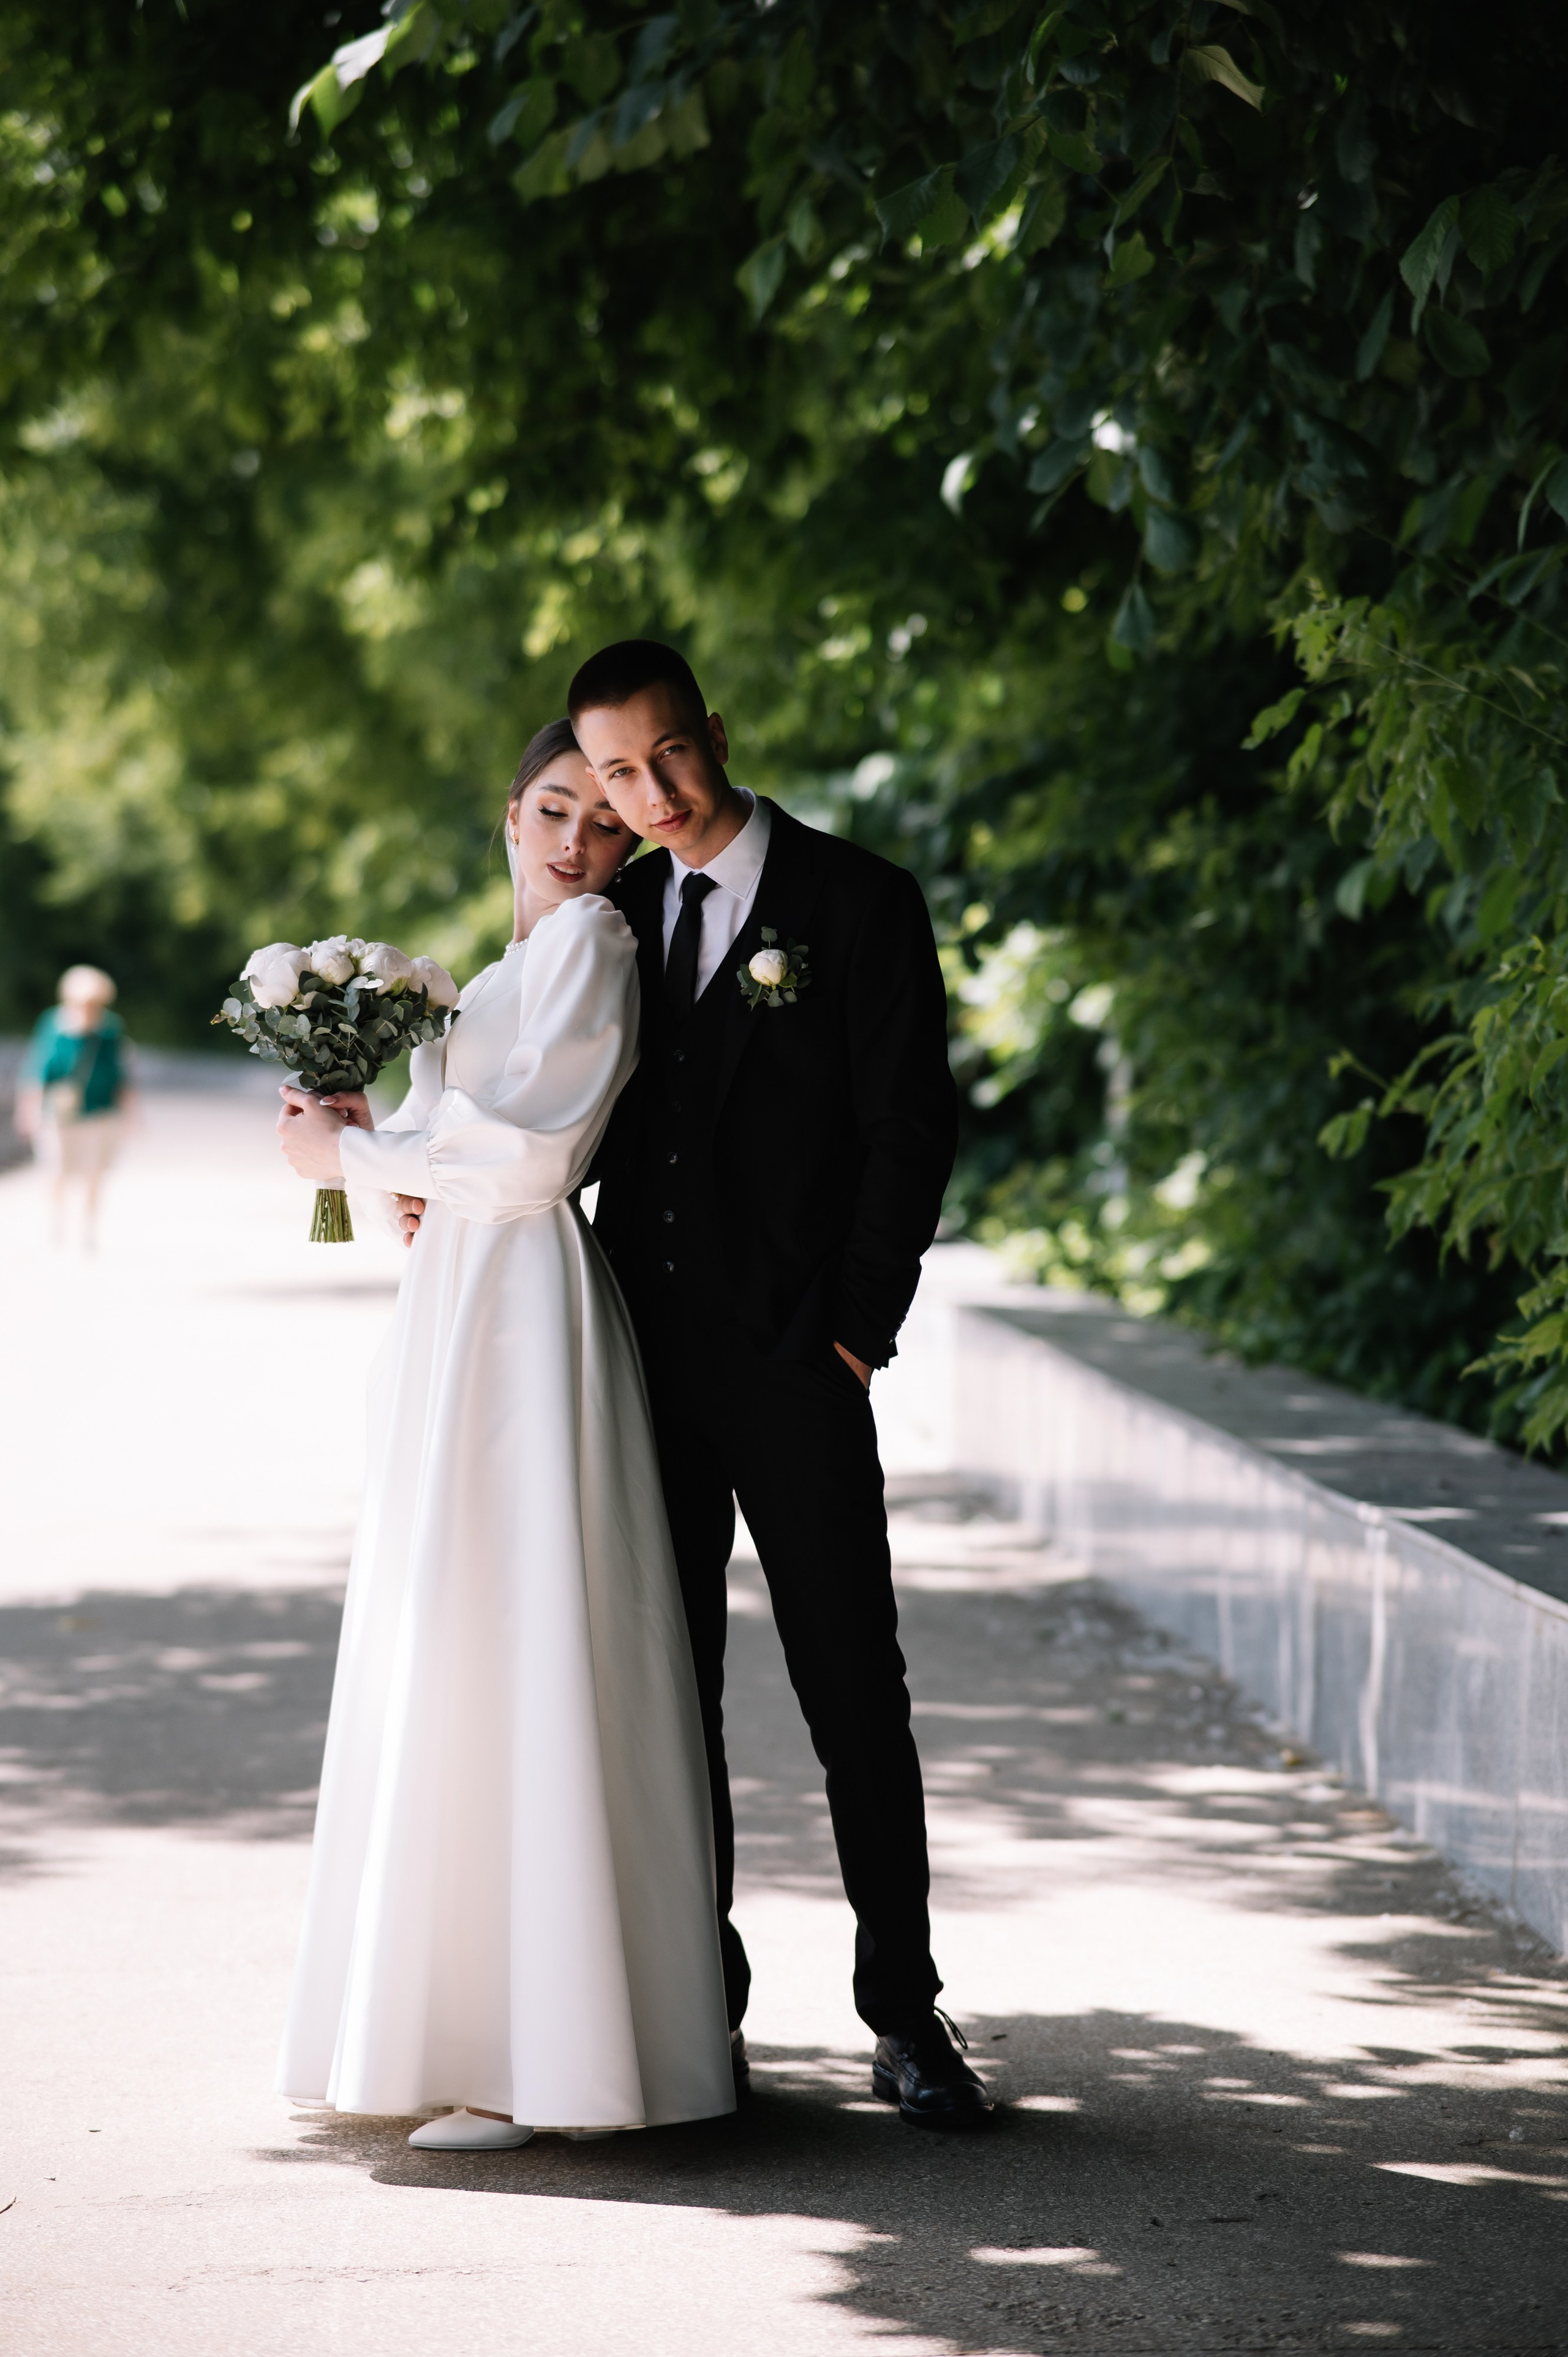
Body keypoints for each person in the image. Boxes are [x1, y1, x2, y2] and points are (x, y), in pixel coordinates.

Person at [270, 718, 734, 2151]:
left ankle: (528, 2051)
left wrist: (346, 1157)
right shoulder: (492, 973)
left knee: (513, 1630)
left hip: (527, 1302)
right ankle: (443, 2019)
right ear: (511, 808)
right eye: (552, 807)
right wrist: (374, 1162)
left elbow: (530, 1156)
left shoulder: (595, 947)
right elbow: (446, 1161)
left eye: (603, 820)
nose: (576, 840)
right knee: (450, 1629)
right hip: (458, 1305)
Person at [571, 639, 993, 2130]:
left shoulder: (856, 898)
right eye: (619, 771)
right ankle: (703, 2001)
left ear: (715, 735)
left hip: (797, 1362)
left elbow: (909, 1128)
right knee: (664, 1695)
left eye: (669, 753)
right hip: (634, 1367)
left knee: (848, 1688)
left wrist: (852, 1329)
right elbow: (544, 1107)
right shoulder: (606, 911)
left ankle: (905, 2012)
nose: (652, 791)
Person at [17, 965, 136, 1250]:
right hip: (60, 1114)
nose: (89, 1009)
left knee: (95, 1172)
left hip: (100, 1113)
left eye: (94, 1003)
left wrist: (132, 1113)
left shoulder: (110, 1030)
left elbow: (122, 1074)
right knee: (56, 1169)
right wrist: (28, 1110)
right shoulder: (54, 1025)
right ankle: (57, 1221)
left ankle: (88, 1229)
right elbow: (36, 1071)